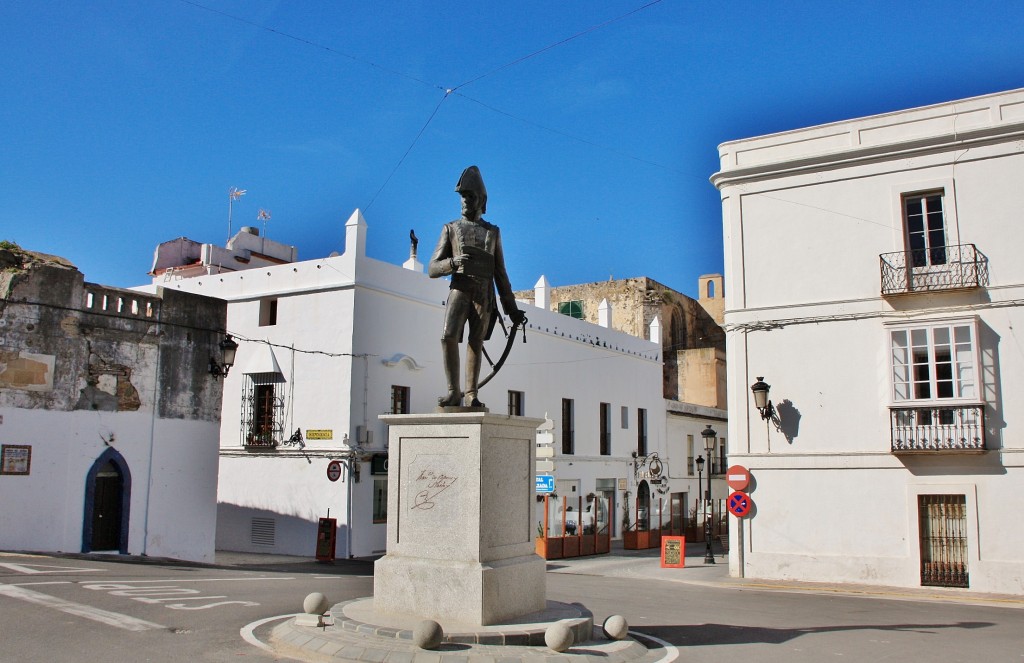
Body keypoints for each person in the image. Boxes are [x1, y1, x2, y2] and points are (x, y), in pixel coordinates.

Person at [428, 166, 524, 408]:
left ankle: (471, 394)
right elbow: (432, 268)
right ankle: (453, 391)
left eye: (470, 197)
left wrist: (511, 309)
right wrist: (452, 263)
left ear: (481, 200)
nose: (464, 201)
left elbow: (501, 273)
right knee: (448, 336)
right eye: (462, 197)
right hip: (459, 288)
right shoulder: (450, 229)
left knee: (476, 341)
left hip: (484, 293)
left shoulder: (493, 232)